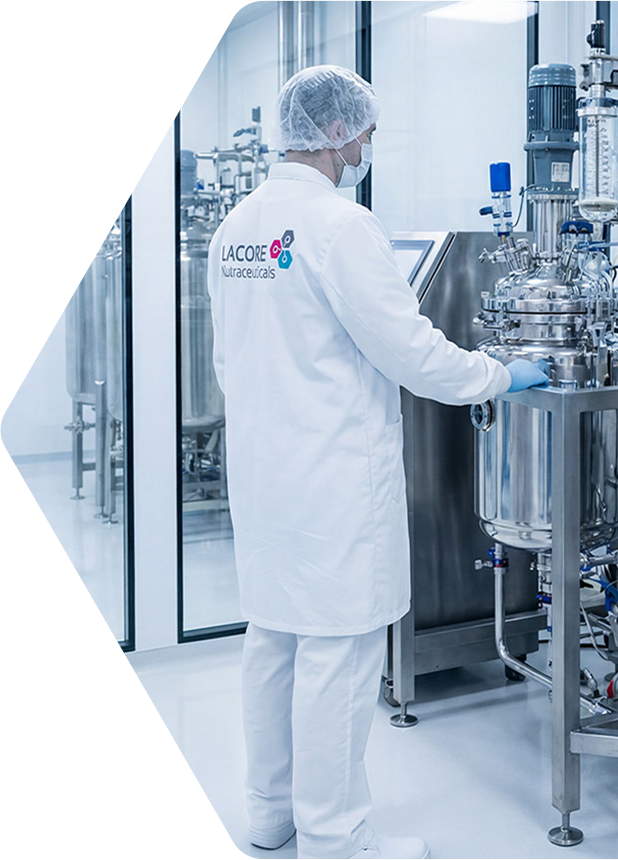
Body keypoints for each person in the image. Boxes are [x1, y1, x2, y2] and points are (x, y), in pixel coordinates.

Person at [206, 65, 548, 860]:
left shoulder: (237, 227)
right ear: (335, 133)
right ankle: (335, 838)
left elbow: (231, 359)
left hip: (264, 474)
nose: (365, 148)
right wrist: (498, 375)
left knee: (274, 642)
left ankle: (269, 814)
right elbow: (413, 354)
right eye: (363, 133)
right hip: (332, 481)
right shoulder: (341, 226)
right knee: (340, 655)